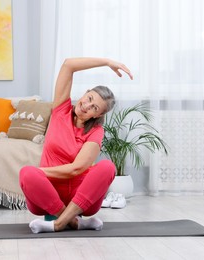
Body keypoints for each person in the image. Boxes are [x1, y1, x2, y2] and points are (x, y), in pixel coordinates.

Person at [19, 57, 133, 233]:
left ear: (98, 115)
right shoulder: (60, 110)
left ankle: (58, 224)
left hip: (81, 200)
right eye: (89, 98)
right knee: (27, 173)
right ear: (85, 92)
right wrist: (107, 62)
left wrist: (40, 171)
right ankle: (75, 222)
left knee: (108, 167)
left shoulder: (96, 131)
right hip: (47, 194)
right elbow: (68, 65)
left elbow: (77, 169)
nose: (86, 106)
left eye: (94, 108)